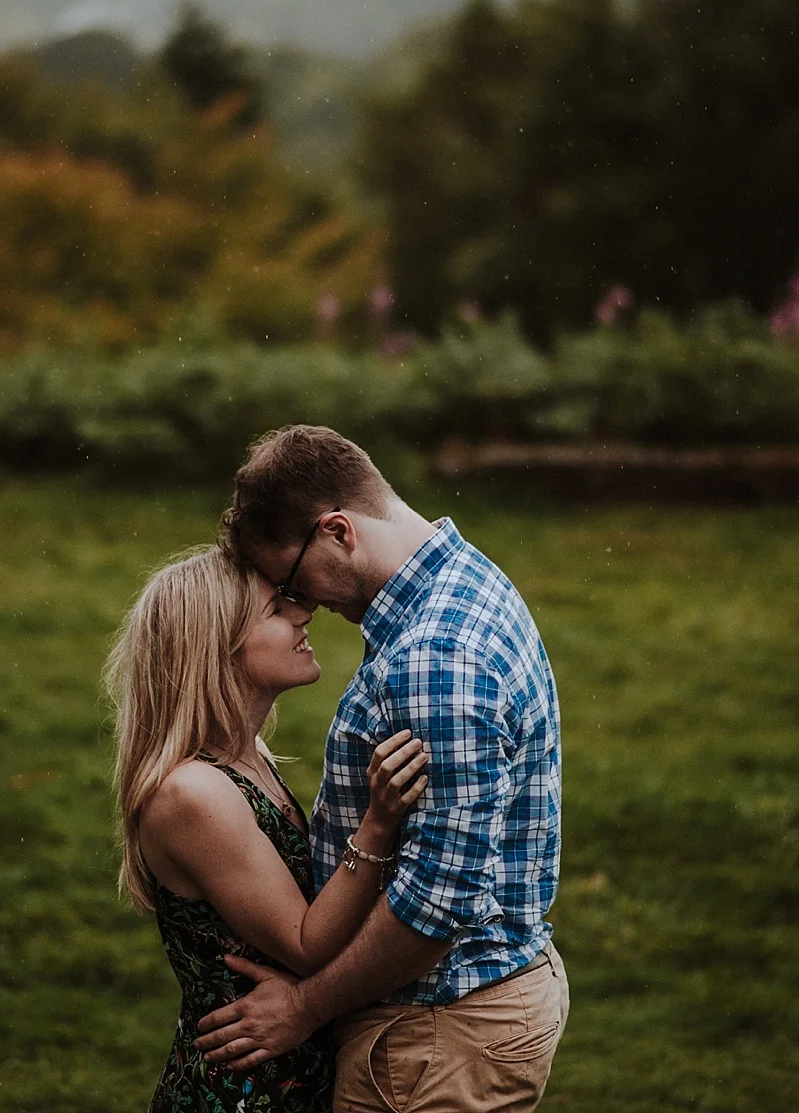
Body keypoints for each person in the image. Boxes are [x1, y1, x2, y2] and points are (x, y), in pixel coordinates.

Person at [201, 425, 567, 1113]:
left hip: (434, 1032)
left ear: (338, 530)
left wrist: (305, 1007)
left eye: (288, 580)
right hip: (459, 1016)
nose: (301, 605)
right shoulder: (463, 578)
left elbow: (441, 901)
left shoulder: (436, 657)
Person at [109, 545, 431, 1113]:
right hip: (243, 1088)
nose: (303, 613)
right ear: (218, 647)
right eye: (276, 609)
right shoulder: (193, 794)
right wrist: (379, 825)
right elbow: (307, 945)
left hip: (286, 1067)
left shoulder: (245, 757)